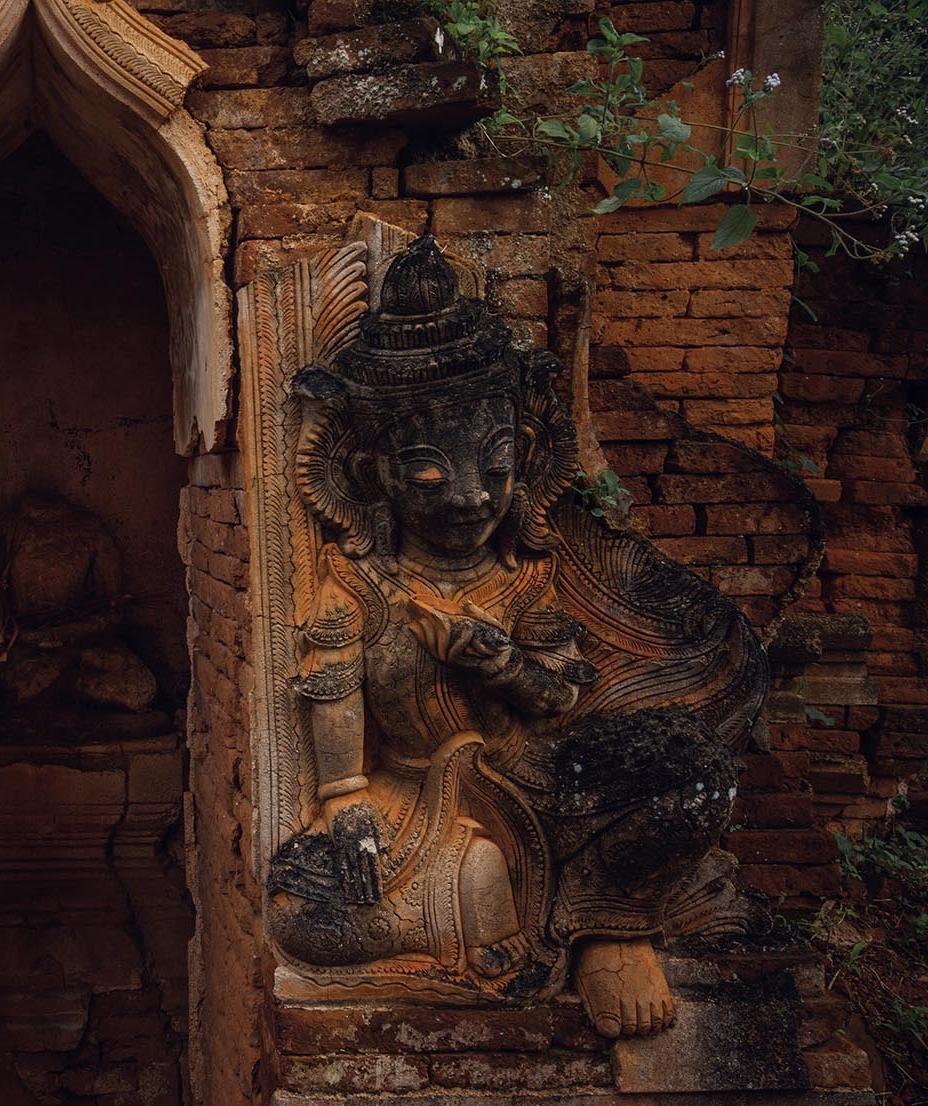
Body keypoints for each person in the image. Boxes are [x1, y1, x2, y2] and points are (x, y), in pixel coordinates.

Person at [267, 237, 767, 1038]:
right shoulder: (355, 588)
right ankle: (502, 912)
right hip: (413, 799)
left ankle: (607, 925)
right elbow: (332, 702)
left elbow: (559, 695)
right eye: (432, 477)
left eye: (495, 471)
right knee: (302, 911)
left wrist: (498, 664)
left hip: (536, 773)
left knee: (693, 773)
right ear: (372, 476)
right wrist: (343, 800)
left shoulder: (526, 575)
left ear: (525, 459)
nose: (470, 498)